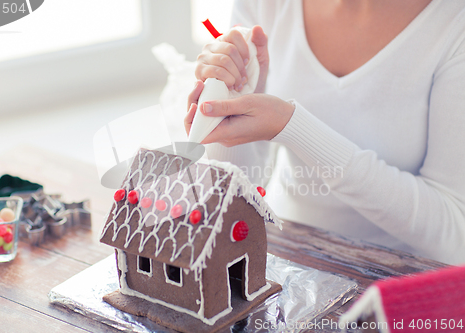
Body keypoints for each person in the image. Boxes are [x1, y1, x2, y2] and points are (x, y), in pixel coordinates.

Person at [184, 0, 465, 265]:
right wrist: (229, 107)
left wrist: (293, 127)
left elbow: (454, 238)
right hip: (285, 259)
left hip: (398, 280)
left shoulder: (453, 24)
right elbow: (236, 200)